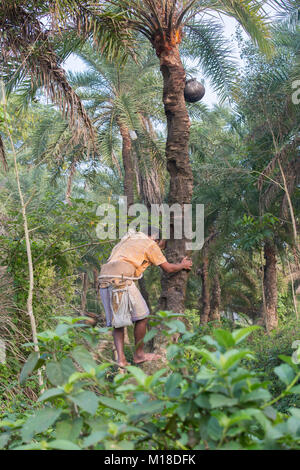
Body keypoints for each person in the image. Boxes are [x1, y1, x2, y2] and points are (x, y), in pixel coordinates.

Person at [99, 226, 192, 366]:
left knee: (117, 322)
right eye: (161, 246)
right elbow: (168, 269)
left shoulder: (126, 240)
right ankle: (139, 355)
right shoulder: (150, 243)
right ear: (155, 237)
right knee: (142, 316)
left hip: (103, 279)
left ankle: (121, 360)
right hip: (121, 277)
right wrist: (182, 265)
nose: (160, 250)